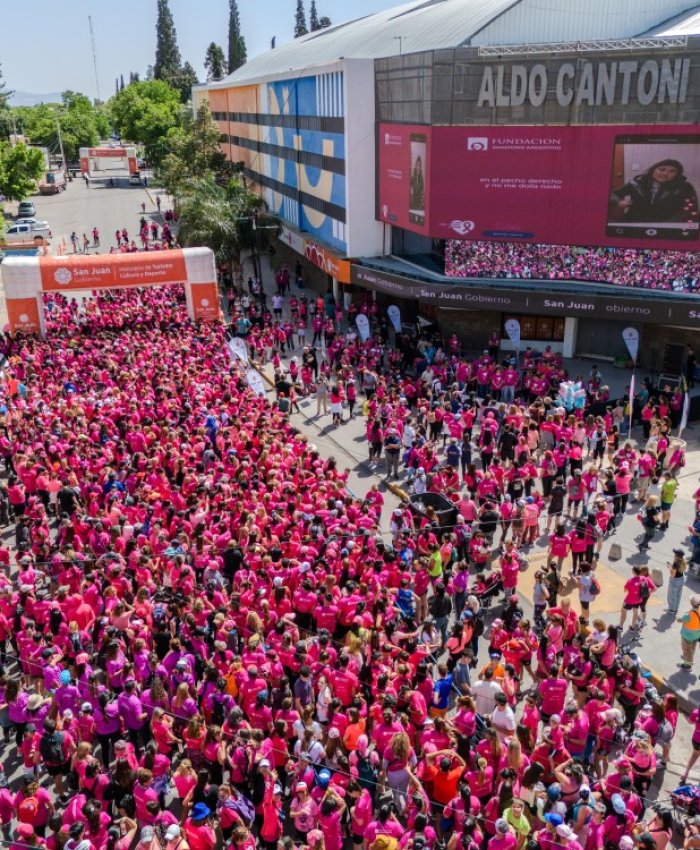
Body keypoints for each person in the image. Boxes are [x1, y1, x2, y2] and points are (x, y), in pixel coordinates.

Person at [609, 158, 699, 224]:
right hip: (634, 222)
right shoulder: (636, 183)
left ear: (677, 175)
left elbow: (690, 209)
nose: (665, 173)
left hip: (666, 224)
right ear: (653, 170)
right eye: (661, 169)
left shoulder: (684, 187)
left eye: (672, 171)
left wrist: (666, 225)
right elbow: (613, 194)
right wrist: (618, 201)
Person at [678, 596, 700, 671]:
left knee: (687, 650)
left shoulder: (689, 615)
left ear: (691, 603)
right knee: (692, 648)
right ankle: (688, 658)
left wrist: (679, 618)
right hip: (696, 635)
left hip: (687, 636)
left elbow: (680, 620)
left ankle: (687, 665)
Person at [667, 548, 688, 615]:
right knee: (678, 594)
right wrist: (671, 566)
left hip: (675, 580)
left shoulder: (675, 563)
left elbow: (673, 574)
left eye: (675, 553)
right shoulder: (683, 562)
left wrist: (669, 567)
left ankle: (671, 609)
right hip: (681, 579)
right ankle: (676, 607)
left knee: (672, 595)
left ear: (676, 555)